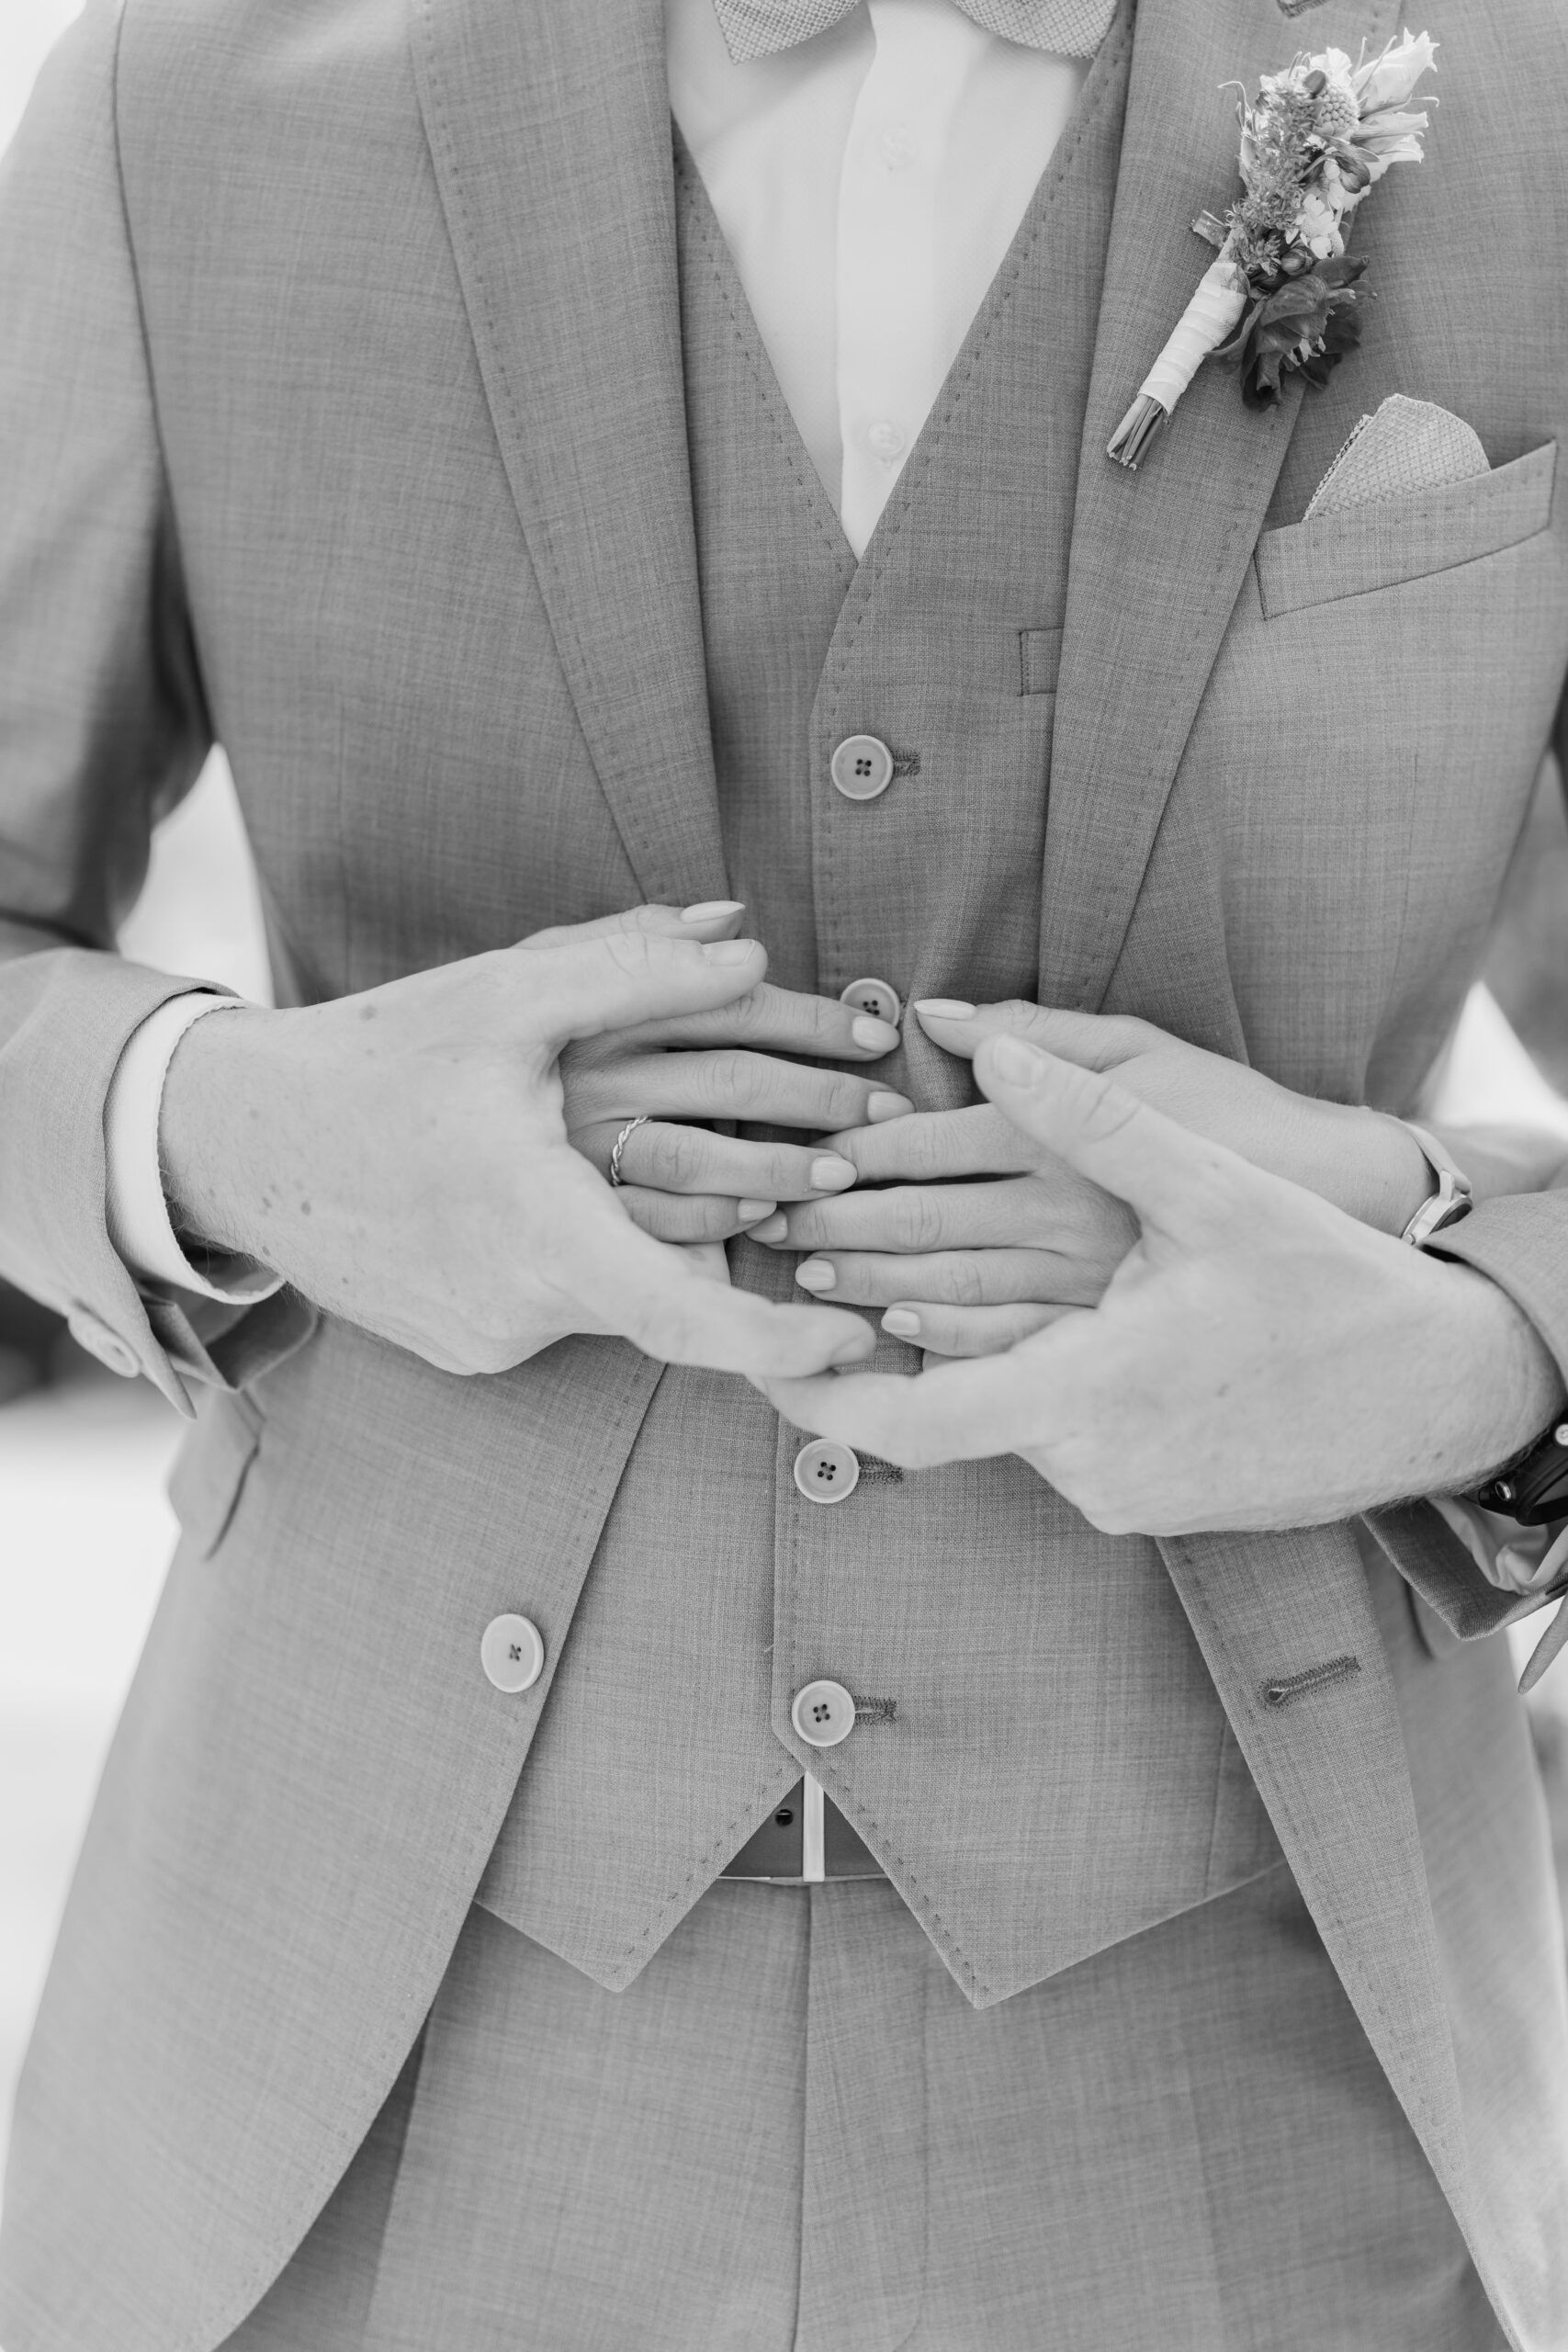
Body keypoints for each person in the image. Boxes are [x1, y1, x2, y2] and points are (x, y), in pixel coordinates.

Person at [1, 0, 1566, 2344]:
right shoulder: (186, 92)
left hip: (1281, 2069)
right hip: (346, 2076)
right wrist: (237, 1125)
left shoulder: (1529, 95)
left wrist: (1461, 1338)